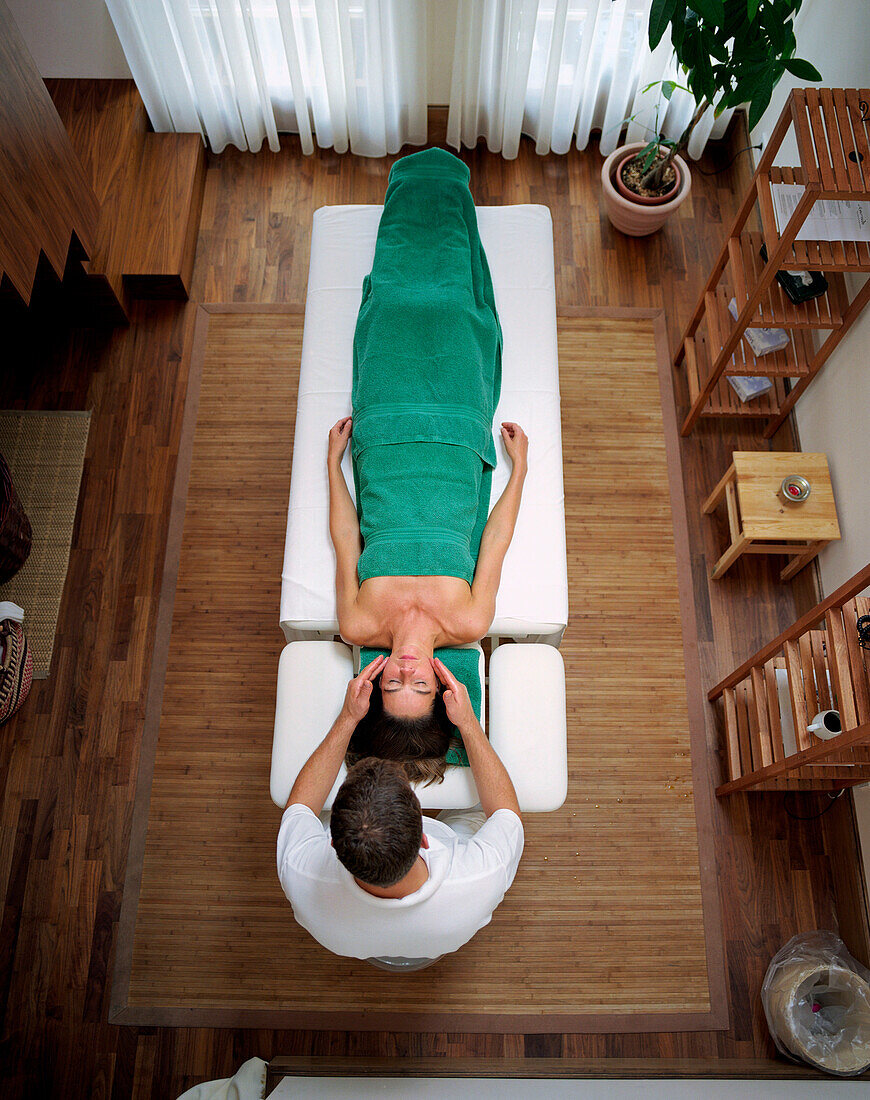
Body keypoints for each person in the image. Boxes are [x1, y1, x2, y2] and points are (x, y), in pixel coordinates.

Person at [327, 146, 528, 780]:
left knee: (392, 303)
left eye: (394, 690)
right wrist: (519, 471)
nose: (408, 676)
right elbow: (494, 539)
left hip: (384, 440)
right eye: (422, 691)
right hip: (455, 442)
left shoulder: (358, 621)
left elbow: (344, 536)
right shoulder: (468, 620)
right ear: (443, 690)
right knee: (450, 308)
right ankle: (450, 189)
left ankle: (409, 183)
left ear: (376, 682)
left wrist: (334, 467)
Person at [277, 653, 523, 961]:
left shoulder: (300, 873)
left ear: (332, 841)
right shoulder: (480, 875)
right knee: (476, 808)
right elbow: (506, 813)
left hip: (351, 940)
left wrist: (348, 718)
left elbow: (300, 805)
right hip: (437, 930)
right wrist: (469, 723)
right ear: (424, 836)